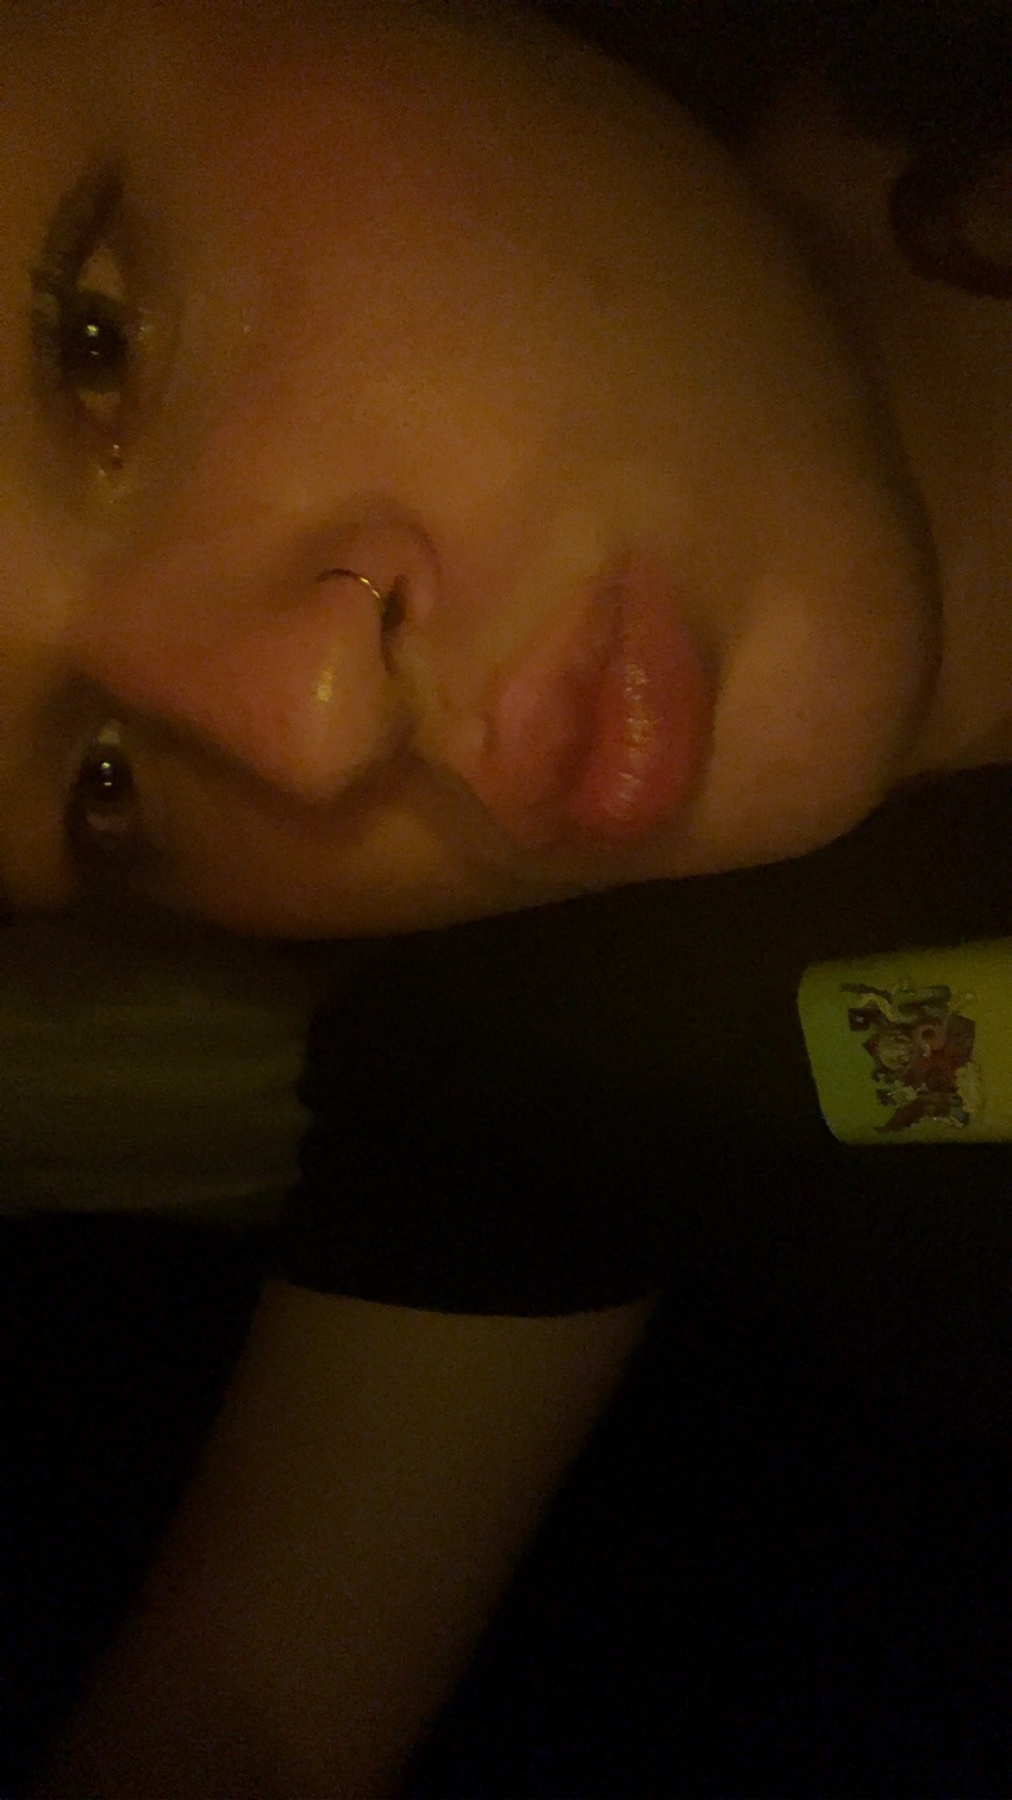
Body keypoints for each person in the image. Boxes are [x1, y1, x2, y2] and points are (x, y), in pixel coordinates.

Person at [0, 0, 1007, 1792]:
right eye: (104, 791)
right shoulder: (551, 1053)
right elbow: (246, 1722)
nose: (307, 735)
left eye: (94, 339)